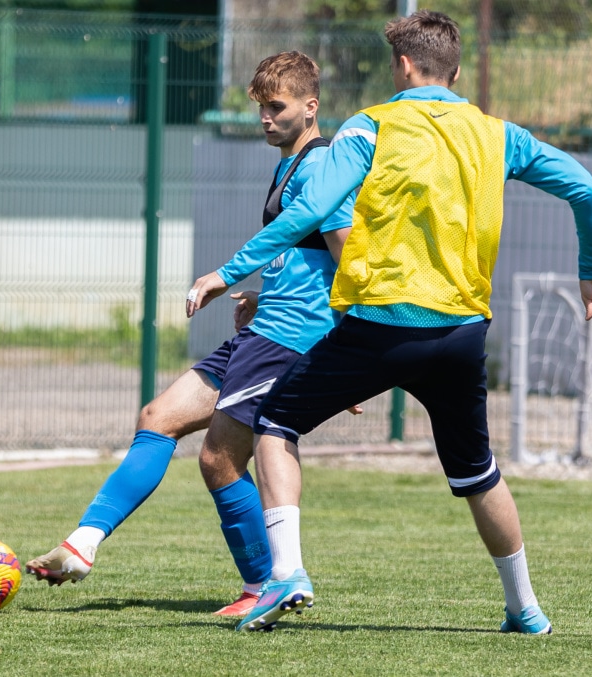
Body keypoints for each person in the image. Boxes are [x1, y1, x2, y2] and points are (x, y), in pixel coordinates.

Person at [186, 10, 592, 633]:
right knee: (478, 473)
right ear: (456, 70)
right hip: (462, 334)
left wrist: (228, 273)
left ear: (404, 67)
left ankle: (287, 575)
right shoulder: (499, 135)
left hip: (379, 329)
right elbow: (586, 190)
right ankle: (525, 609)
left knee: (276, 425)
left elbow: (312, 207)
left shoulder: (371, 128)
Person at [25, 51, 355, 617]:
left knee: (219, 460)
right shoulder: (289, 163)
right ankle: (83, 543)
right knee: (158, 418)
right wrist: (262, 294)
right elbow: (305, 258)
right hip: (266, 328)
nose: (265, 119)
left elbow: (350, 258)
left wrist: (348, 352)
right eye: (261, 108)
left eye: (277, 107)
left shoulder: (325, 167)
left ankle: (265, 584)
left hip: (289, 340)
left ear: (311, 105)